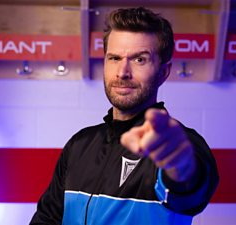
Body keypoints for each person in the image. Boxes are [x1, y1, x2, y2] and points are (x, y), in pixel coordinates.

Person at [30, 7, 219, 225]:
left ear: (163, 71)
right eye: (114, 58)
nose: (122, 72)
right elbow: (47, 219)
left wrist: (180, 166)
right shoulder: (79, 144)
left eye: (139, 60)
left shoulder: (177, 145)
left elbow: (190, 191)